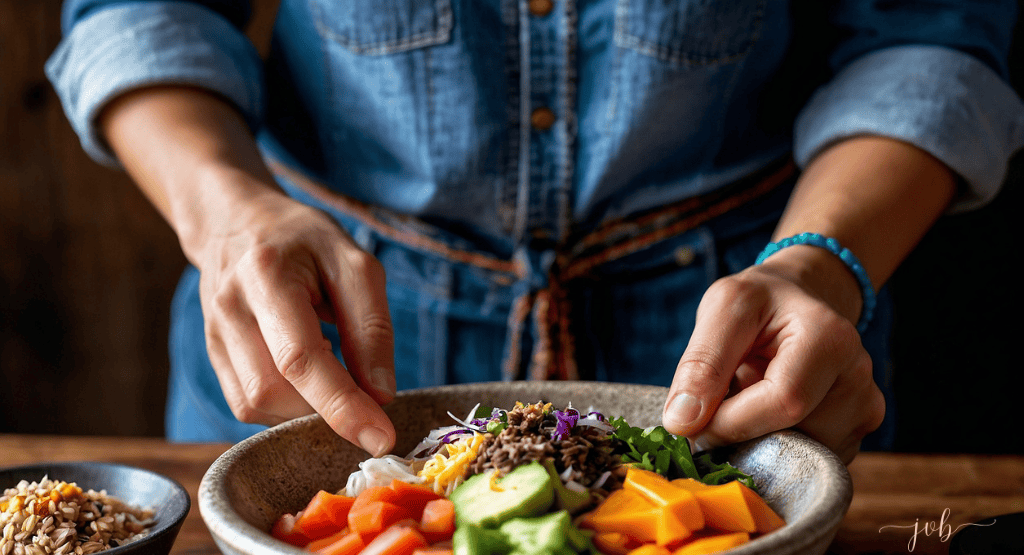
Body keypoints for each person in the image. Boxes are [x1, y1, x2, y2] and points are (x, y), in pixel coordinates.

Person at [47, 0, 1023, 464]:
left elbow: (925, 42)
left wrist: (820, 266)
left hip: (741, 352)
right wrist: (224, 208)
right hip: (317, 331)